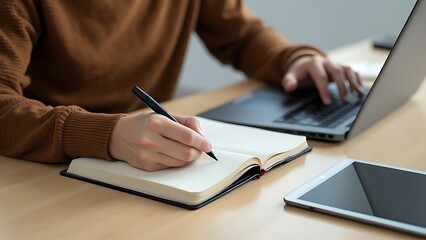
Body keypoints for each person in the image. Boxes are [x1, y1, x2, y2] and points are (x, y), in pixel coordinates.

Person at [0, 0, 364, 171]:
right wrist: (106, 134)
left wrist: (295, 58)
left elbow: (242, 33)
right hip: (41, 164)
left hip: (152, 160)